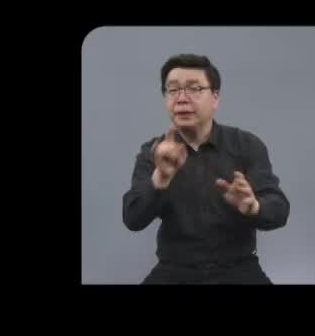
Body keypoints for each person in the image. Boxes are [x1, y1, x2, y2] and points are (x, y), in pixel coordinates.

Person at [121, 53, 290, 284]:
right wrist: (160, 178)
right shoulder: (154, 152)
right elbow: (132, 219)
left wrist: (253, 207)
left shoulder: (247, 145)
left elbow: (279, 210)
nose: (181, 98)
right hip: (174, 271)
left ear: (215, 97)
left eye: (194, 89)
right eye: (172, 90)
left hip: (239, 270)